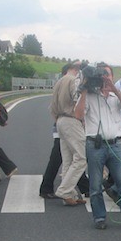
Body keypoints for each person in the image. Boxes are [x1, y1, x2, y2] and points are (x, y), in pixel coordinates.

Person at [74, 63, 121, 230]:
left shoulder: (116, 96)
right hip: (95, 145)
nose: (104, 78)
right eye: (101, 75)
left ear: (112, 77)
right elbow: (78, 114)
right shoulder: (90, 96)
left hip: (115, 144)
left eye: (107, 75)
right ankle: (99, 217)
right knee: (95, 184)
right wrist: (85, 89)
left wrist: (113, 89)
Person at [39, 65, 89, 200]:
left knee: (68, 159)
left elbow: (52, 107)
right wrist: (83, 121)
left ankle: (69, 193)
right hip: (72, 120)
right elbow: (77, 101)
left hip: (60, 120)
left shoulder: (59, 82)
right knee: (81, 157)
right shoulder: (74, 81)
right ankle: (65, 190)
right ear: (77, 70)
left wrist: (58, 120)